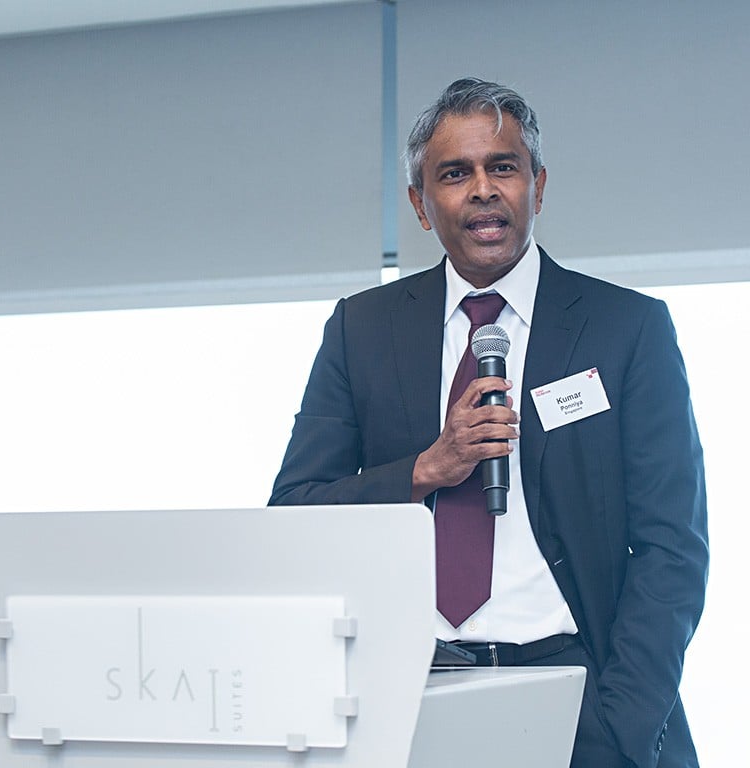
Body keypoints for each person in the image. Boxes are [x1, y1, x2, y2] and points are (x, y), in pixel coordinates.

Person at [269, 77, 708, 768]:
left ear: (538, 186)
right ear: (420, 205)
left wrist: (621, 723)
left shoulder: (626, 328)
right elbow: (295, 512)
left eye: (503, 167)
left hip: (580, 697)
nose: (482, 189)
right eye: (454, 174)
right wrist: (424, 471)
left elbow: (672, 548)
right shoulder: (362, 328)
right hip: (408, 698)